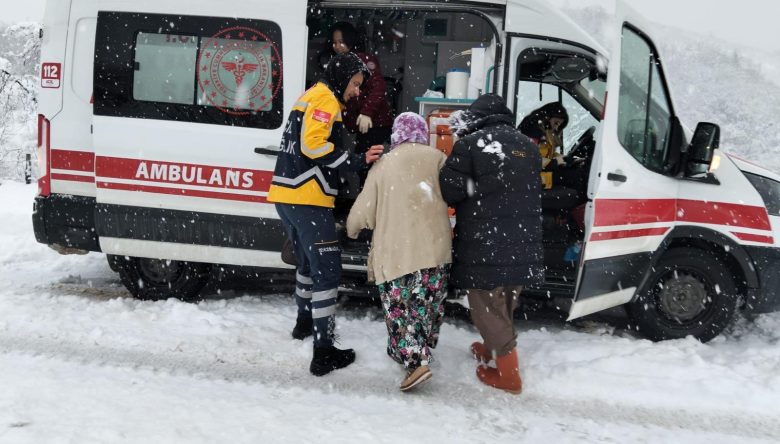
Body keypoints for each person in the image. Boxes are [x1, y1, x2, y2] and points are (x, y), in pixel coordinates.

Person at [267, 52, 384, 377]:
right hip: (308, 198)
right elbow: (313, 146)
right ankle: (323, 351)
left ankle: (304, 324)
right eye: (355, 83)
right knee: (328, 272)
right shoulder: (325, 98)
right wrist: (356, 161)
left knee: (306, 264)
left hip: (286, 195)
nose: (356, 91)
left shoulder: (308, 96)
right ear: (342, 76)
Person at [439, 94, 544, 395]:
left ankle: (510, 377)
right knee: (505, 301)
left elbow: (449, 189)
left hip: (486, 242)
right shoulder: (528, 146)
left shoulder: (471, 144)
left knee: (486, 307)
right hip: (522, 241)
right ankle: (491, 349)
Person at [346, 112, 452, 392]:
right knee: (425, 306)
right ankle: (420, 350)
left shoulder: (384, 165)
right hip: (435, 250)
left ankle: (415, 363)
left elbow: (363, 211)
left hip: (397, 253)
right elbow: (455, 195)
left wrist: (351, 229)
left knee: (400, 312)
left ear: (396, 136)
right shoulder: (438, 159)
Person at [330, 22, 394, 164]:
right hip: (362, 128)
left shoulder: (363, 60)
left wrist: (367, 113)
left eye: (341, 42)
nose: (337, 46)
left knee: (369, 165)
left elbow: (378, 86)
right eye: (334, 43)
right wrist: (350, 121)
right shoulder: (338, 64)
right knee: (362, 162)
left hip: (377, 125)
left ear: (350, 40)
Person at [518, 102, 569, 190]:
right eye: (556, 123)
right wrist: (555, 162)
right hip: (529, 180)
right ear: (547, 117)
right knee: (572, 177)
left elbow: (545, 154)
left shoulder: (544, 131)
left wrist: (562, 158)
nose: (556, 128)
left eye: (559, 125)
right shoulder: (531, 131)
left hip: (536, 175)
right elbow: (528, 158)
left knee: (569, 174)